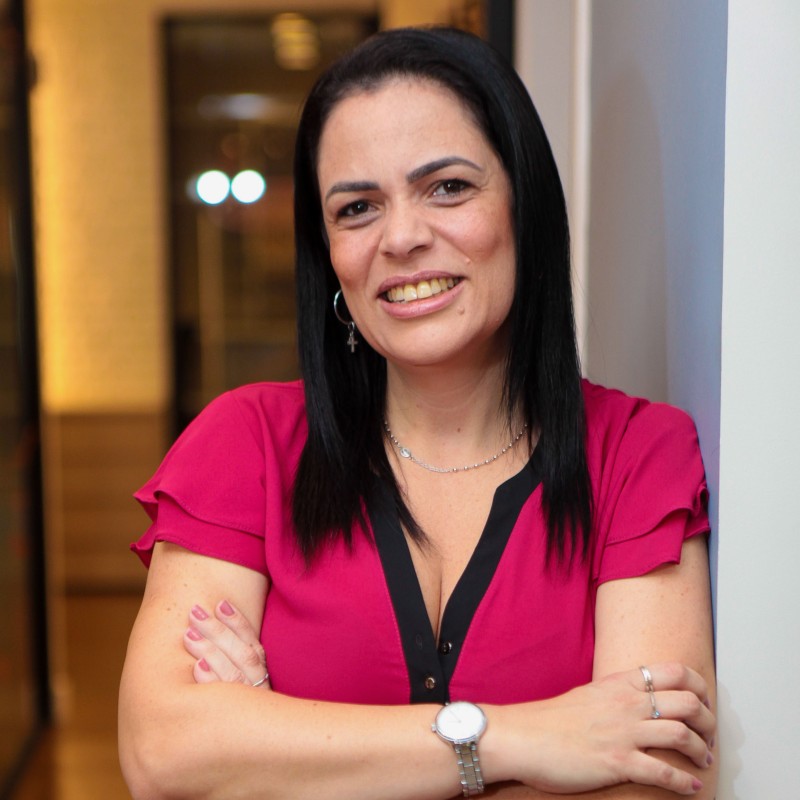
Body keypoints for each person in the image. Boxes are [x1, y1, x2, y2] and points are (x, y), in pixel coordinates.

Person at [118, 26, 717, 800]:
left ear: (524, 206)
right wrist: (524, 737)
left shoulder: (638, 455)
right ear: (328, 253)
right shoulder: (246, 445)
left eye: (448, 188)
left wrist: (284, 753)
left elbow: (653, 777)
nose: (401, 237)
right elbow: (164, 753)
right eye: (357, 207)